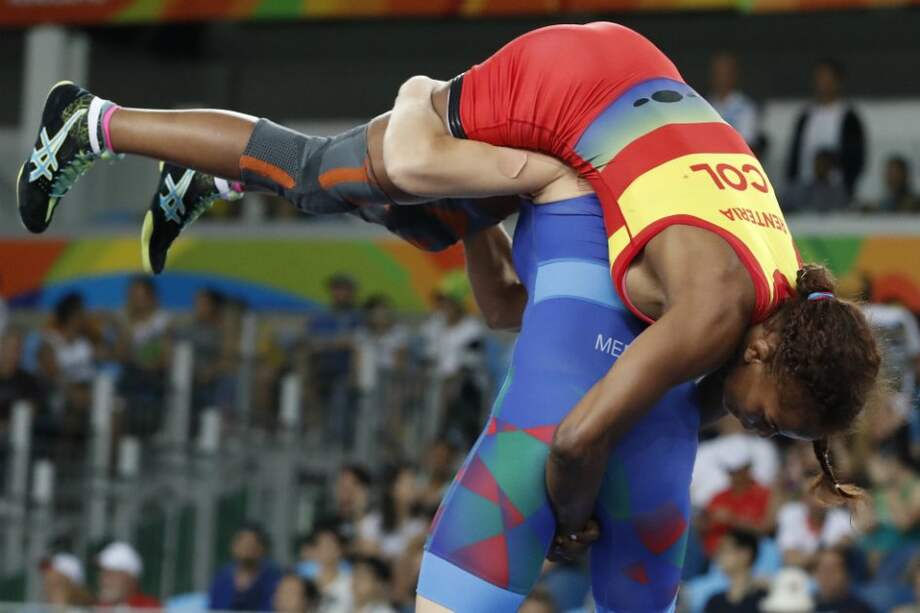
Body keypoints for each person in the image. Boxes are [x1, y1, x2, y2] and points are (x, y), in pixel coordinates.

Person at [19, 22, 882, 612]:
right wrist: (572, 517)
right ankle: (92, 124)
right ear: (770, 345)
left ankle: (218, 176)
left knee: (453, 221)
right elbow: (577, 441)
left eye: (773, 431)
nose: (755, 423)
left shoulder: (779, 301)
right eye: (771, 413)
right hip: (570, 90)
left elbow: (509, 307)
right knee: (337, 173)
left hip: (629, 97)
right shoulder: (716, 308)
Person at [786, 59, 866, 197]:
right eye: (819, 78)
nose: (823, 83)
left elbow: (855, 156)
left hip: (836, 188)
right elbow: (795, 153)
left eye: (827, 78)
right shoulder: (806, 115)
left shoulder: (848, 117)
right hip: (805, 187)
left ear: (838, 81)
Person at [699, 453, 776, 558]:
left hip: (751, 553)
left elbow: (767, 529)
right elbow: (702, 526)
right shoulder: (719, 496)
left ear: (747, 469)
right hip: (713, 555)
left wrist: (732, 519)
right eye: (729, 471)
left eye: (736, 471)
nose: (732, 476)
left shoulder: (765, 494)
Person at [355, 464, 427, 560]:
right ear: (392, 489)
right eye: (408, 484)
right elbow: (370, 556)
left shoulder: (420, 525)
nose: (413, 489)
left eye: (414, 484)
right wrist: (409, 549)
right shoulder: (372, 522)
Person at [208, 523, 282, 611]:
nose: (246, 547)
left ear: (261, 548)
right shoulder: (222, 578)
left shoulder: (273, 579)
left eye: (251, 543)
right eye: (242, 542)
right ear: (233, 546)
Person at [703, 530, 767, 613]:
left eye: (724, 550)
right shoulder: (715, 602)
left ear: (745, 554)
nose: (718, 555)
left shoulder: (764, 601)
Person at [708, 52, 760, 152]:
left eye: (725, 72)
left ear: (734, 74)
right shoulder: (703, 105)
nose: (721, 77)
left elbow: (748, 144)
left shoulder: (746, 108)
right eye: (718, 72)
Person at [296, 521, 353, 613]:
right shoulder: (304, 580)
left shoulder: (351, 583)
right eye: (321, 545)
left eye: (329, 545)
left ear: (340, 550)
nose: (325, 550)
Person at [96, 541, 161, 609]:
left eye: (112, 574)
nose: (104, 580)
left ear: (131, 579)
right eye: (103, 573)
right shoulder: (98, 608)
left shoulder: (149, 609)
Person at [783, 150, 850, 213]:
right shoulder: (803, 188)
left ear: (830, 166)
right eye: (818, 163)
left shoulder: (838, 192)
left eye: (824, 164)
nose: (821, 167)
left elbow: (844, 210)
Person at [813, 547, 873, 613]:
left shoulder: (859, 609)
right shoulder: (807, 604)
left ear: (847, 575)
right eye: (823, 569)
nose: (827, 575)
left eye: (833, 570)